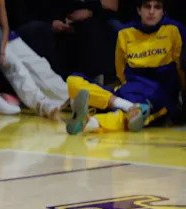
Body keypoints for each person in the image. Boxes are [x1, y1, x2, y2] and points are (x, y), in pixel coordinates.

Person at [65, 0, 182, 134]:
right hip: (127, 91)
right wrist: (124, 95)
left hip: (158, 95)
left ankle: (90, 122)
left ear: (163, 12)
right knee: (73, 81)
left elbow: (181, 69)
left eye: (157, 7)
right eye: (147, 7)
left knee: (126, 117)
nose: (151, 12)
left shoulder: (173, 31)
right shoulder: (125, 33)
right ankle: (128, 106)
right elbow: (120, 71)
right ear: (139, 10)